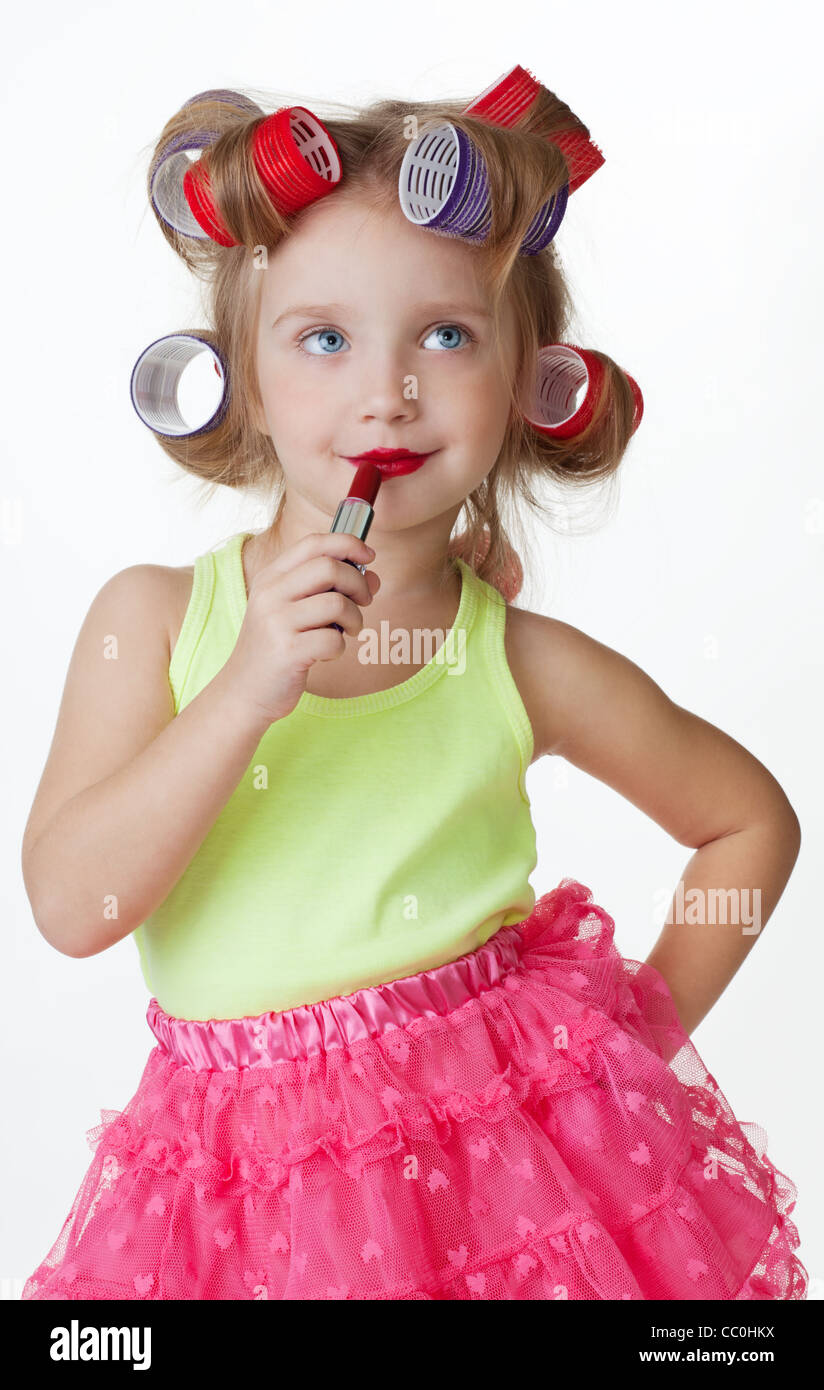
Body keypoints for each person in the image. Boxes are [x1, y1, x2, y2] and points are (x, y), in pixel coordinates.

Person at [20, 70, 807, 1300]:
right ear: (247, 368)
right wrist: (243, 691)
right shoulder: (156, 621)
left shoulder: (518, 661)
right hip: (236, 1203)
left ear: (524, 377)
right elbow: (73, 906)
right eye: (322, 337)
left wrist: (625, 1058)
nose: (385, 388)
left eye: (445, 334)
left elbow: (747, 822)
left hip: (504, 1194)